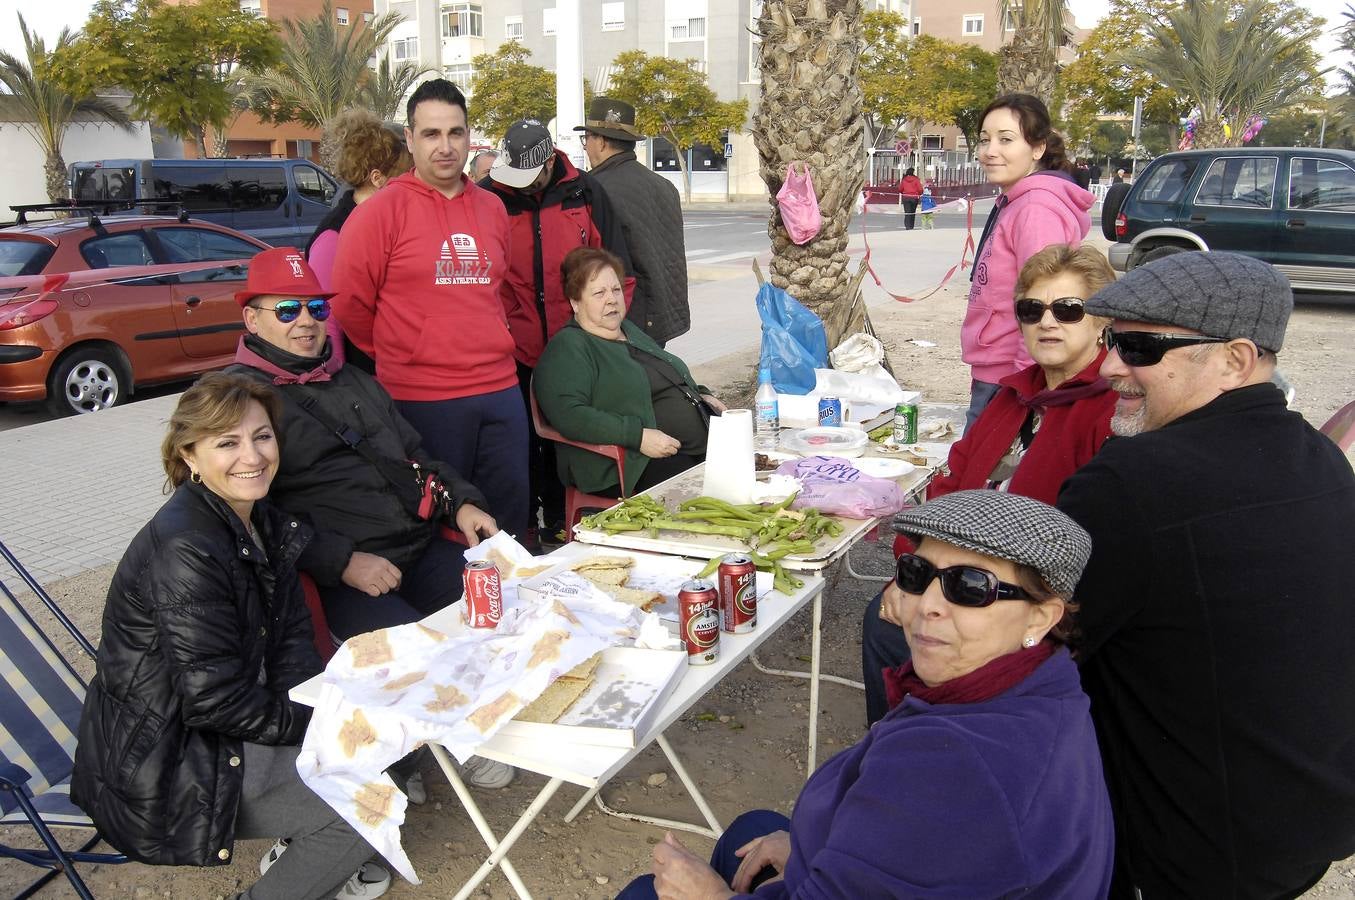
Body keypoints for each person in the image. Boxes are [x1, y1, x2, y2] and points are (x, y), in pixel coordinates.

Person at [617, 490, 1114, 899]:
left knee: (645, 892)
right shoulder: (1044, 686)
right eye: (918, 575)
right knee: (754, 829)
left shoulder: (955, 764)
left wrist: (712, 898)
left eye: (969, 586)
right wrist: (820, 850)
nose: (928, 607)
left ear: (1041, 617)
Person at [1056, 251, 1355, 898]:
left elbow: (1031, 644)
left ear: (1235, 360)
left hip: (1179, 853)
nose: (1107, 366)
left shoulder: (1130, 484)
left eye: (1137, 345)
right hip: (1299, 827)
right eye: (1109, 340)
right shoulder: (1320, 461)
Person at [70, 373, 392, 900]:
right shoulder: (187, 549)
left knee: (380, 742)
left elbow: (291, 645)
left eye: (262, 436)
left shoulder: (260, 520)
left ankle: (301, 839)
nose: (253, 456)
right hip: (168, 759)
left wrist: (327, 717)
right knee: (366, 812)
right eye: (228, 442)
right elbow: (214, 704)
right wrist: (319, 725)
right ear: (189, 456)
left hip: (222, 718)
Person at [861, 242, 1117, 723]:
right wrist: (908, 572)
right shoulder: (1013, 396)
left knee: (902, 634)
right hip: (954, 572)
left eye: (1068, 310)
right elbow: (949, 486)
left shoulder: (1109, 411)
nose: (1047, 322)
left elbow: (1095, 540)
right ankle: (895, 744)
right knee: (884, 618)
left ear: (1102, 320)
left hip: (1024, 593)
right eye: (1032, 309)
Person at [331, 79, 529, 539]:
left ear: (468, 136)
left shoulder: (493, 209)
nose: (445, 146)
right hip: (423, 399)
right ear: (410, 138)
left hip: (499, 389)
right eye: (431, 134)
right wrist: (405, 350)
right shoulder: (379, 213)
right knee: (446, 530)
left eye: (455, 133)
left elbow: (498, 290)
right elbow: (350, 304)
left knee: (510, 523)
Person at [480, 117, 635, 542]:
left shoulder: (585, 192)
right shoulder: (492, 197)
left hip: (577, 347)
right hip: (515, 349)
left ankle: (569, 527)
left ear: (550, 161)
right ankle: (526, 529)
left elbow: (620, 269)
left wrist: (607, 330)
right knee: (521, 446)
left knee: (570, 437)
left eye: (530, 176)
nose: (522, 186)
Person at [534, 247, 725, 499]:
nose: (612, 299)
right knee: (705, 502)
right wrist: (637, 436)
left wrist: (702, 395)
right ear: (575, 303)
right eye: (599, 293)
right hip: (627, 461)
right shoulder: (569, 346)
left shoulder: (628, 330)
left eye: (615, 290)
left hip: (689, 443)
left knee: (750, 474)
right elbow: (569, 415)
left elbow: (664, 370)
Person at [965, 93, 1093, 428]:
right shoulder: (1017, 202)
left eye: (1006, 140)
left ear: (1037, 149)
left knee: (978, 478)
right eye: (984, 140)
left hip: (1013, 377)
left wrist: (1030, 384)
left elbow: (1045, 303)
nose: (990, 151)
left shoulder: (1036, 209)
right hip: (998, 372)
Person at [304, 108, 412, 372]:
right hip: (363, 378)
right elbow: (328, 320)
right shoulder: (333, 236)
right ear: (378, 179)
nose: (412, 185)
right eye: (405, 176)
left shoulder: (391, 222)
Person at [577, 96, 690, 347]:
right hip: (660, 315)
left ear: (602, 141)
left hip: (624, 319)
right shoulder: (664, 186)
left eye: (587, 139)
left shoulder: (597, 189)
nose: (585, 147)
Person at [897, 166, 924, 230]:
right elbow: (920, 189)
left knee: (907, 212)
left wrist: (903, 192)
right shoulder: (916, 179)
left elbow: (900, 189)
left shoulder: (904, 180)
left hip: (906, 197)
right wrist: (920, 193)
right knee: (912, 212)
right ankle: (911, 226)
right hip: (914, 198)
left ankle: (907, 226)